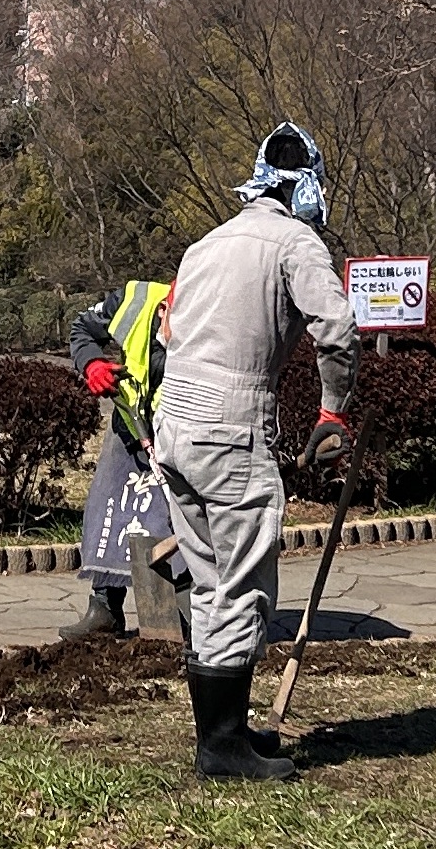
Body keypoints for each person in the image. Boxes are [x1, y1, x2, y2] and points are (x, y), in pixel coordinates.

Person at [152, 122, 358, 781]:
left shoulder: (204, 243)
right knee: (242, 587)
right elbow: (340, 330)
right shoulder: (294, 242)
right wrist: (332, 413)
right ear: (307, 189)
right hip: (229, 425)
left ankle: (224, 734)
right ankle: (223, 747)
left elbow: (171, 332)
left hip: (174, 425)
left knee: (211, 579)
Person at [64, 276, 176, 639]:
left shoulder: (219, 322)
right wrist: (92, 364)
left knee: (171, 522)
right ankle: (104, 608)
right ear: (165, 308)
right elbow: (82, 327)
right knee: (111, 511)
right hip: (129, 422)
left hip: (181, 435)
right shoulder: (137, 299)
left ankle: (178, 616)